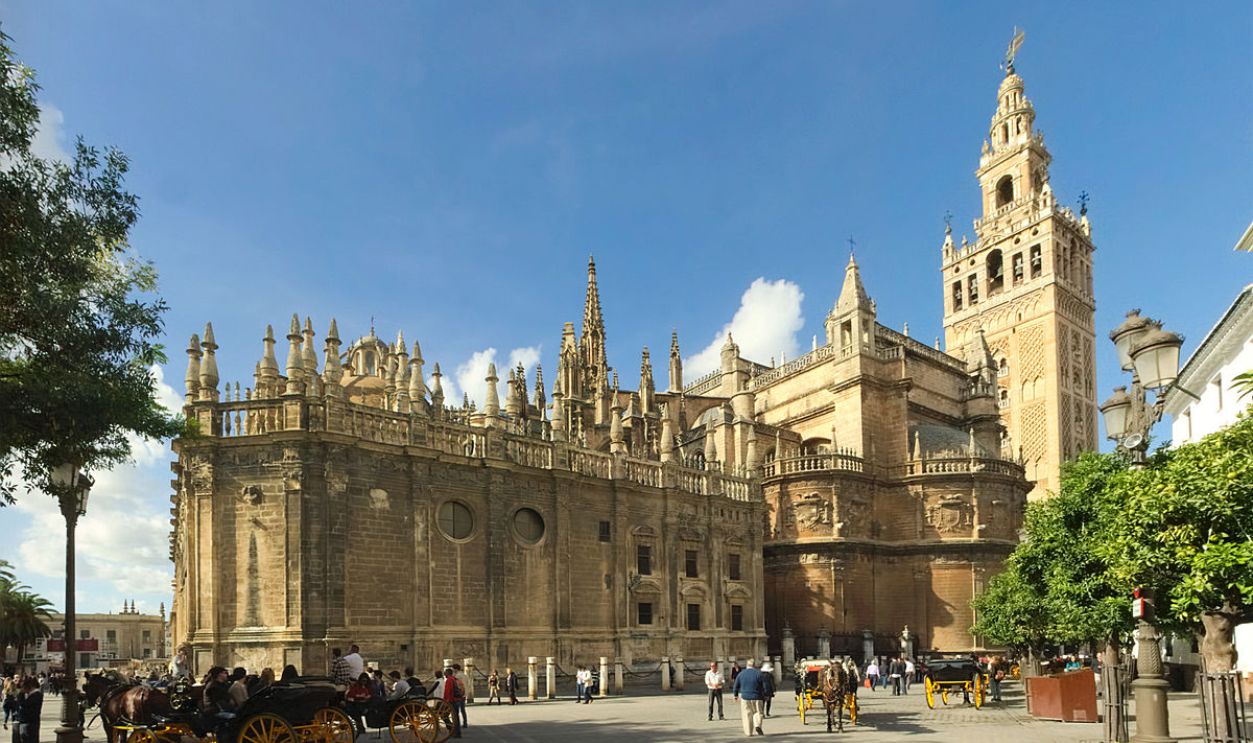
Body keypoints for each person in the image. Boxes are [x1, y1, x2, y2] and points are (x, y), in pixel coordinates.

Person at [732, 659, 766, 737]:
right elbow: (764, 685)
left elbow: (736, 685)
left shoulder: (741, 674)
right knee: (758, 712)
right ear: (754, 665)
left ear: (747, 665)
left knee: (747, 714)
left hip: (745, 697)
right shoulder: (759, 674)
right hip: (757, 696)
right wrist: (766, 694)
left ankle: (749, 732)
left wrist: (735, 695)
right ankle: (757, 725)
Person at [15, 677, 42, 743]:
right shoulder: (33, 695)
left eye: (23, 687)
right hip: (30, 722)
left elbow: (23, 705)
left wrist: (20, 694)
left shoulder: (35, 695)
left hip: (29, 723)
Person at [440, 668, 463, 739]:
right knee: (456, 717)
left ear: (448, 673)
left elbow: (448, 692)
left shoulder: (449, 680)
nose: (444, 674)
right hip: (457, 699)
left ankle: (456, 732)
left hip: (452, 701)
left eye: (445, 673)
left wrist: (445, 701)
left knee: (453, 717)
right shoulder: (454, 679)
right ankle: (457, 732)